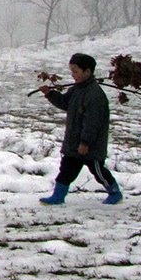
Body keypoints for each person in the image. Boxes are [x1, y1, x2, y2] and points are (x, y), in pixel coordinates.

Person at [38, 52, 122, 205]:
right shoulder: (77, 90)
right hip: (74, 142)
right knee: (67, 169)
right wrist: (50, 94)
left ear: (88, 72)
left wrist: (85, 142)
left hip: (90, 145)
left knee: (97, 170)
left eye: (76, 72)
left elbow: (93, 123)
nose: (73, 75)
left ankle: (114, 192)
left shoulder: (95, 95)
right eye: (72, 71)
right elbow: (65, 103)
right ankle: (58, 196)